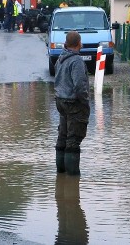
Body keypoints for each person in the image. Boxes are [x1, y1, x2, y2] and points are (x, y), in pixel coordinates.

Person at [54, 31, 90, 175]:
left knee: (63, 136)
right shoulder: (77, 61)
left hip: (60, 101)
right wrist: (85, 102)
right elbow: (80, 86)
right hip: (73, 103)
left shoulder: (60, 58)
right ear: (78, 43)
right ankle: (73, 177)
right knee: (73, 140)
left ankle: (60, 174)